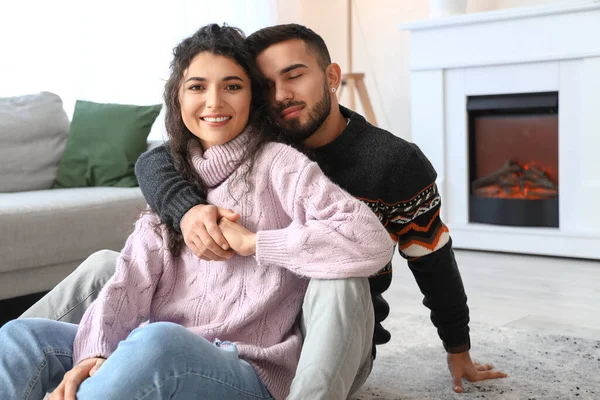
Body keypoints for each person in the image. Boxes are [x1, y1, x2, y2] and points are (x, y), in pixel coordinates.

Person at [21, 23, 507, 398]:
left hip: (327, 330)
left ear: (331, 77)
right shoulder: (229, 148)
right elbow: (155, 160)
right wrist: (188, 210)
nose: (279, 96)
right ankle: (51, 361)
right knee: (104, 271)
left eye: (293, 76)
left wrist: (457, 348)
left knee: (336, 278)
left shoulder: (381, 161)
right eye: (264, 83)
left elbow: (431, 256)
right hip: (230, 321)